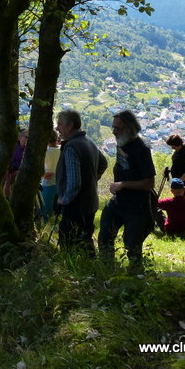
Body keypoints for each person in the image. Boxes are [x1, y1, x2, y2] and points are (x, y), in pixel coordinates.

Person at [98, 110, 156, 270]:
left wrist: (123, 184)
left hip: (137, 206)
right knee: (104, 237)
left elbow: (149, 183)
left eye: (117, 128)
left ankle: (135, 279)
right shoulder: (121, 143)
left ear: (129, 128)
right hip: (119, 202)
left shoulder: (141, 149)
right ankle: (107, 269)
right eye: (113, 127)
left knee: (132, 247)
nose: (113, 131)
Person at [55, 110, 108, 254]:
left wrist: (64, 200)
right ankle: (91, 271)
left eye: (60, 124)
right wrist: (91, 181)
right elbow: (103, 163)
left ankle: (75, 273)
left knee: (71, 245)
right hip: (89, 203)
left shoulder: (72, 147)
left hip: (75, 206)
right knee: (85, 240)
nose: (57, 128)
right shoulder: (88, 141)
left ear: (70, 125)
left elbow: (74, 183)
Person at [40, 129, 61, 220]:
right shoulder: (62, 150)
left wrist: (43, 175)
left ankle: (45, 231)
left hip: (48, 184)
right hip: (60, 183)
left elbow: (39, 170)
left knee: (46, 212)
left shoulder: (45, 152)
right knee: (57, 211)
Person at [4, 128, 28, 198]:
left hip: (22, 173)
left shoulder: (29, 149)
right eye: (26, 137)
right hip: (11, 171)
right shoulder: (13, 147)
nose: (28, 139)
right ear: (19, 137)